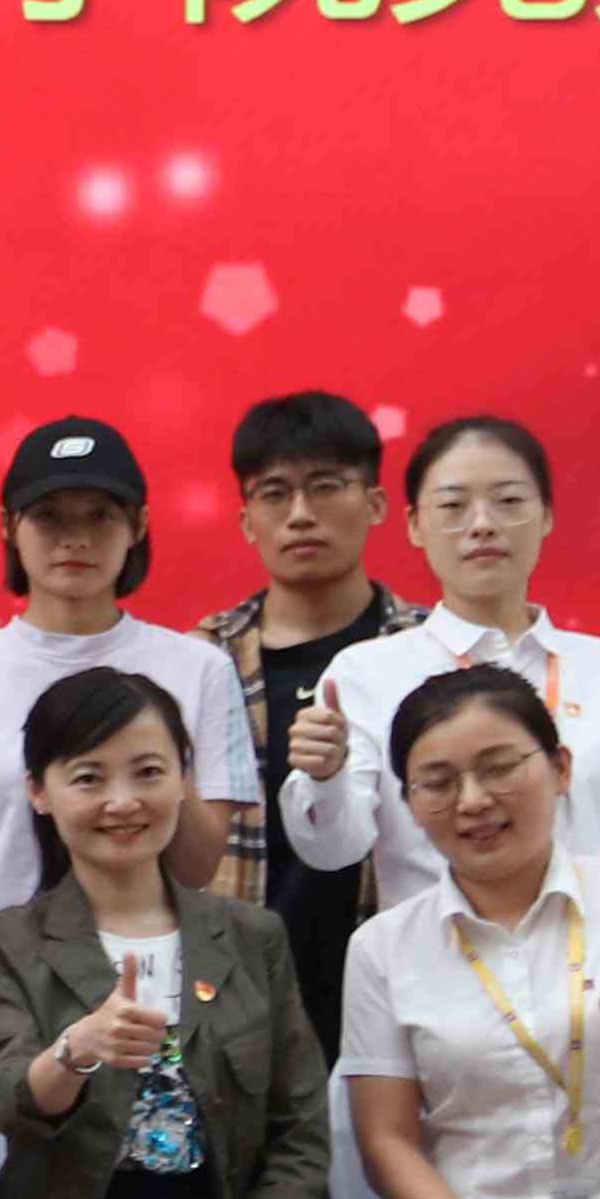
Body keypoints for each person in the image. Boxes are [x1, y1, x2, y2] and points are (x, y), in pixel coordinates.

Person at [0, 670, 328, 1199]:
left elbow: (300, 1131)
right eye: (88, 778)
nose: (122, 802)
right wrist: (76, 1050)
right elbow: (4, 1098)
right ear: (38, 792)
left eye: (148, 772)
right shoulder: (0, 943)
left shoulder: (251, 937)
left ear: (183, 780)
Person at [340, 664, 600, 1199]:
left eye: (499, 769)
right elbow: (387, 1142)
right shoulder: (381, 948)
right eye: (438, 783)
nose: (473, 801)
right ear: (408, 803)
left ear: (561, 768)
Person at [278, 412, 600, 915]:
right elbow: (333, 850)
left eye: (509, 502)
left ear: (546, 516)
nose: (482, 525)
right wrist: (326, 778)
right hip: (433, 955)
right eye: (453, 506)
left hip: (588, 956)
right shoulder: (365, 674)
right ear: (414, 525)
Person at [0, 418, 258, 969]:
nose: (75, 538)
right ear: (7, 526)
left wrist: (157, 749)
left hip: (147, 983)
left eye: (101, 515)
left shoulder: (200, 669)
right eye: (48, 516)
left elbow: (196, 868)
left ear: (139, 525)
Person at [196, 390, 422, 1057]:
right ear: (246, 520)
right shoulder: (200, 662)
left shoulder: (430, 654)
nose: (300, 514)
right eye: (275, 494)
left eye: (326, 487)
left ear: (376, 504)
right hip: (235, 1006)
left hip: (407, 991)